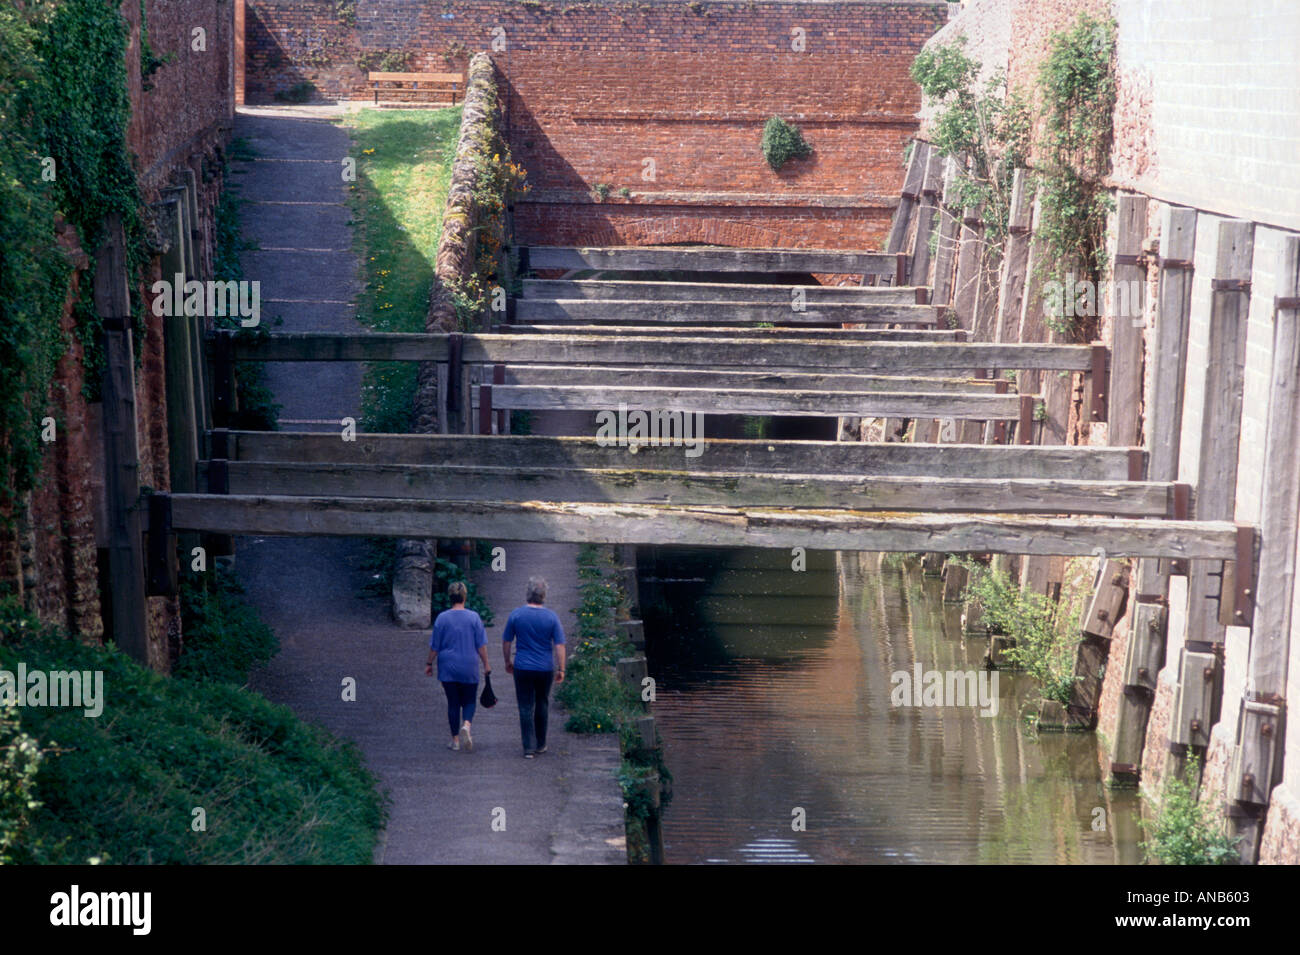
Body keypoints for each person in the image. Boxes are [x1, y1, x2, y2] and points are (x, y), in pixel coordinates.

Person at [502, 576, 566, 758]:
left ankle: (528, 747)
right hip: (545, 667)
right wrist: (561, 668)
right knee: (542, 703)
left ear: (527, 594)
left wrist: (507, 661)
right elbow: (559, 645)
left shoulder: (516, 615)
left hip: (523, 666)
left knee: (525, 705)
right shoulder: (552, 617)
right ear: (544, 595)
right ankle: (541, 743)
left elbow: (507, 641)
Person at [426, 581, 490, 753]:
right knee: (469, 700)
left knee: (453, 703)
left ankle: (455, 740)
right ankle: (467, 725)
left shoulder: (442, 618)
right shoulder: (474, 617)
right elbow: (481, 645)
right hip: (469, 664)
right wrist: (486, 664)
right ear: (464, 597)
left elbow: (435, 646)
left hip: (448, 666)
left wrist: (429, 663)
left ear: (450, 597)